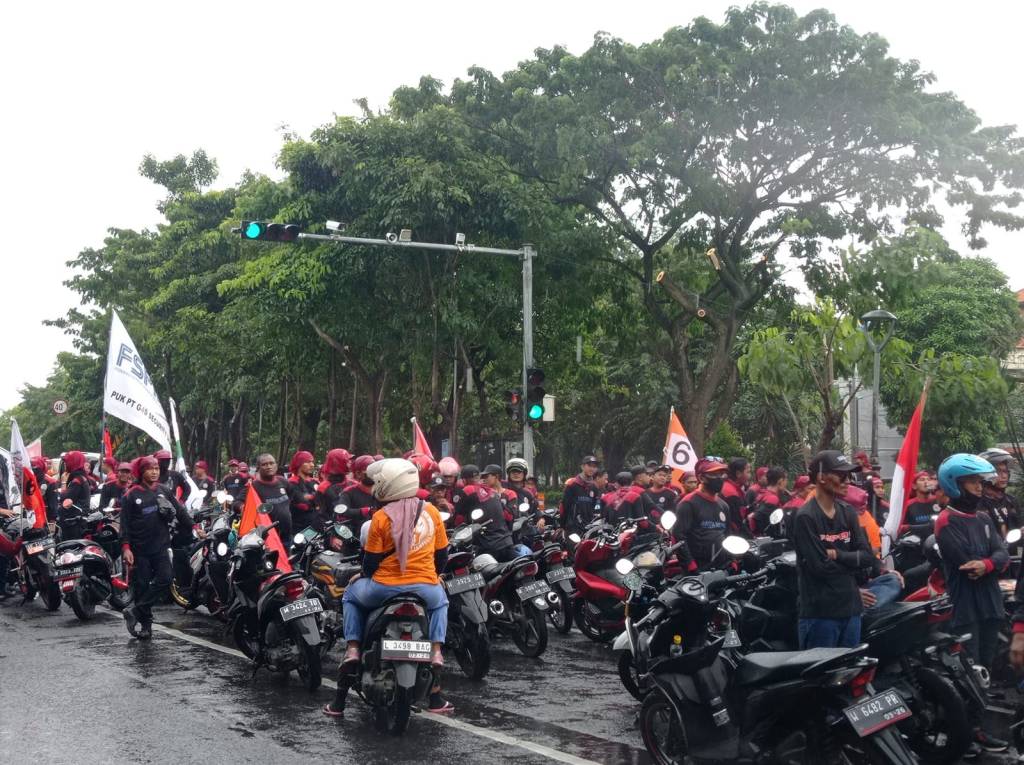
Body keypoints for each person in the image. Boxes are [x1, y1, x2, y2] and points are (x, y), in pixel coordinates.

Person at [326, 458, 451, 716]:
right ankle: (436, 651)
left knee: (350, 596)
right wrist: (433, 576)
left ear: (388, 485)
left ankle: (352, 648)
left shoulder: (380, 518)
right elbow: (442, 555)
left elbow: (370, 563)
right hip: (425, 587)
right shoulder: (432, 512)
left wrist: (361, 576)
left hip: (384, 588)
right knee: (441, 602)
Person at [935, 453, 1011, 756]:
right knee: (968, 672)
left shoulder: (982, 518)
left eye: (980, 481)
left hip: (991, 605)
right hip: (965, 607)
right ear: (955, 484)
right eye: (973, 481)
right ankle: (963, 733)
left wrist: (989, 564)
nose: (980, 487)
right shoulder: (946, 521)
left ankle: (976, 729)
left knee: (986, 670)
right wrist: (990, 562)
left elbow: (1001, 554)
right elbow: (965, 564)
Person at [792, 450, 881, 649]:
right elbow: (819, 568)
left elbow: (868, 557)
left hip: (851, 611)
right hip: (821, 614)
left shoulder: (848, 512)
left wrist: (838, 555)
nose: (847, 480)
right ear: (822, 477)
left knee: (850, 675)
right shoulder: (806, 517)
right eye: (841, 475)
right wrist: (852, 561)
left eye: (849, 475)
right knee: (822, 679)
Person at [120, 456, 193, 639]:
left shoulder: (164, 490)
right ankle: (146, 626)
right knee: (142, 586)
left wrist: (195, 527)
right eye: (150, 469)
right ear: (141, 471)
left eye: (156, 469)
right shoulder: (131, 495)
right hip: (139, 550)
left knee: (166, 579)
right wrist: (126, 548)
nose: (154, 472)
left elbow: (181, 511)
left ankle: (135, 611)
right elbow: (125, 525)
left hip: (160, 547)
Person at [670, 458, 731, 571]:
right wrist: (690, 564)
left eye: (722, 474)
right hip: (698, 568)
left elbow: (727, 535)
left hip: (721, 566)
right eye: (714, 474)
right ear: (702, 478)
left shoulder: (724, 505)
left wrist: (731, 560)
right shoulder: (688, 503)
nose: (720, 478)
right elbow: (678, 536)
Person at [243, 454, 293, 549]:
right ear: (258, 468)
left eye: (271, 463)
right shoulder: (253, 486)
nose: (269, 466)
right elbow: (238, 503)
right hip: (267, 539)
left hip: (287, 537)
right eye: (264, 464)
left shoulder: (283, 482)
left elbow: (292, 498)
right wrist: (245, 508)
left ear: (276, 465)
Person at [977, 448, 1020, 537]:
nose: (1004, 476)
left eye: (1005, 471)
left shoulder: (1011, 501)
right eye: (998, 471)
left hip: (1010, 550)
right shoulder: (977, 502)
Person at [559, 456, 600, 534]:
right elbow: (564, 506)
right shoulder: (572, 485)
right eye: (589, 465)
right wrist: (562, 526)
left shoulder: (594, 487)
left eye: (594, 466)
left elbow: (593, 507)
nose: (592, 468)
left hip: (588, 528)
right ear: (582, 467)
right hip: (573, 528)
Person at [316, 448, 355, 528]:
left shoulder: (353, 483)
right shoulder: (323, 488)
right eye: (347, 460)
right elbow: (322, 516)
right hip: (335, 531)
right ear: (337, 463)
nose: (350, 462)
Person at [59, 450, 92, 540]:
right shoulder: (79, 477)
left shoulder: (77, 480)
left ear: (74, 462)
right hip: (75, 521)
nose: (65, 464)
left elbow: (64, 498)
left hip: (74, 523)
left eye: (67, 461)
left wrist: (64, 481)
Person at [286, 450, 320, 534]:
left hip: (316, 528)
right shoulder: (291, 483)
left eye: (312, 462)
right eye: (308, 462)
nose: (312, 465)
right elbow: (302, 501)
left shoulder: (315, 482)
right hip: (297, 530)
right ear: (299, 464)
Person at [750, 467, 788, 536]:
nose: (786, 483)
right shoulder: (772, 499)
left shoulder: (763, 494)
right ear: (780, 481)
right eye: (785, 480)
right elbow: (755, 517)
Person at [721, 458, 751, 535]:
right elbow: (736, 523)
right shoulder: (731, 493)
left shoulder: (732, 488)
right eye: (748, 472)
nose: (750, 476)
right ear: (738, 473)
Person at [32, 456, 59, 528]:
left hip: (46, 517)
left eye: (35, 468)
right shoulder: (29, 481)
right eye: (31, 467)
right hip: (31, 517)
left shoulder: (50, 482)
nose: (33, 470)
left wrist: (52, 521)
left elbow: (53, 503)